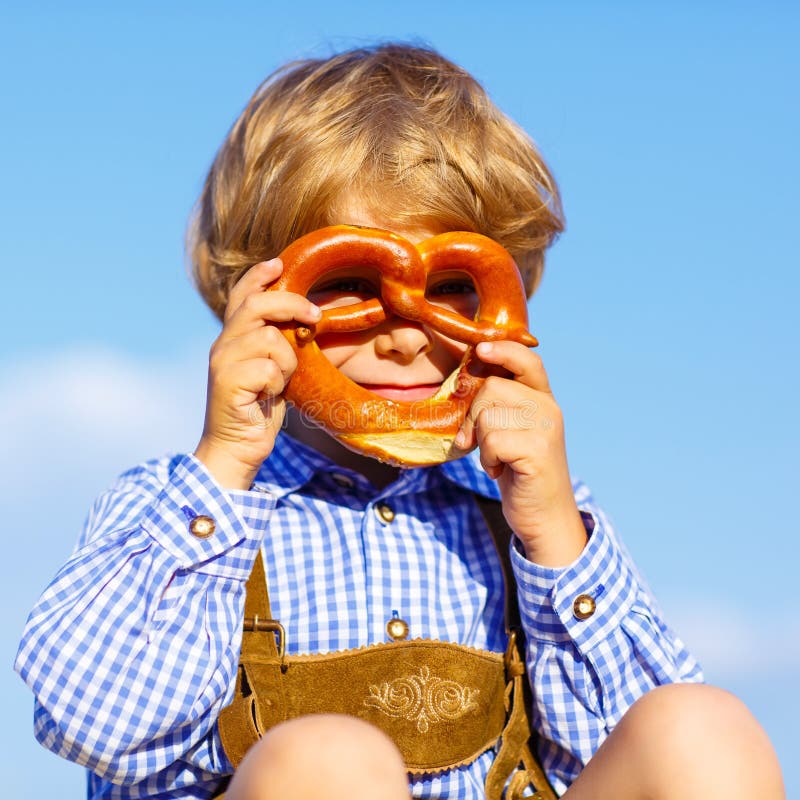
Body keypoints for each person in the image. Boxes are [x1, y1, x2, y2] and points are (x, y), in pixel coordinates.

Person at [15, 43, 783, 800]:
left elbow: (616, 752)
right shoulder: (184, 507)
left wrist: (553, 537)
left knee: (699, 727)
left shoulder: (517, 514)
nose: (408, 334)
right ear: (255, 296)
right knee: (328, 760)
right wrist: (224, 468)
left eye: (451, 287)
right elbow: (96, 725)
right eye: (351, 281)